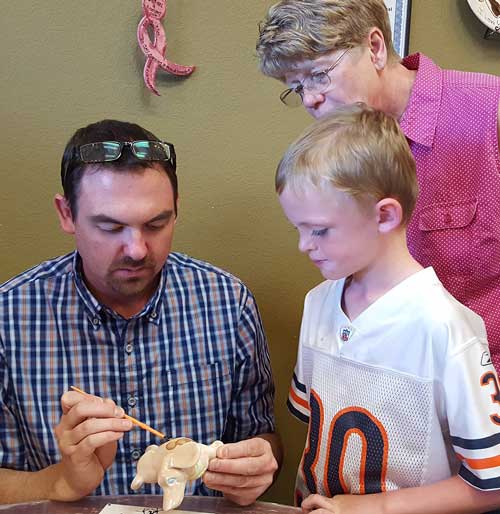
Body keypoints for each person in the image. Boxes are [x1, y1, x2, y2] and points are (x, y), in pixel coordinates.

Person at [0, 119, 282, 505]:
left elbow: (262, 439)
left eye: (155, 223)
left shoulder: (227, 302)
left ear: (176, 211)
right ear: (67, 214)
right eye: (110, 227)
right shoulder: (9, 316)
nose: (136, 249)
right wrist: (62, 482)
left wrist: (257, 467)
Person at [276, 104, 500, 514]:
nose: (304, 246)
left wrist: (367, 508)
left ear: (384, 216)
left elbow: (491, 485)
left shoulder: (445, 328)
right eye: (299, 229)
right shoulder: (318, 302)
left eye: (319, 230)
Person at [256, 0, 500, 374]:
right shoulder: (334, 153)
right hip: (389, 392)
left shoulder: (489, 112)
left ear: (375, 47)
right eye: (296, 88)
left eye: (319, 75)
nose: (310, 99)